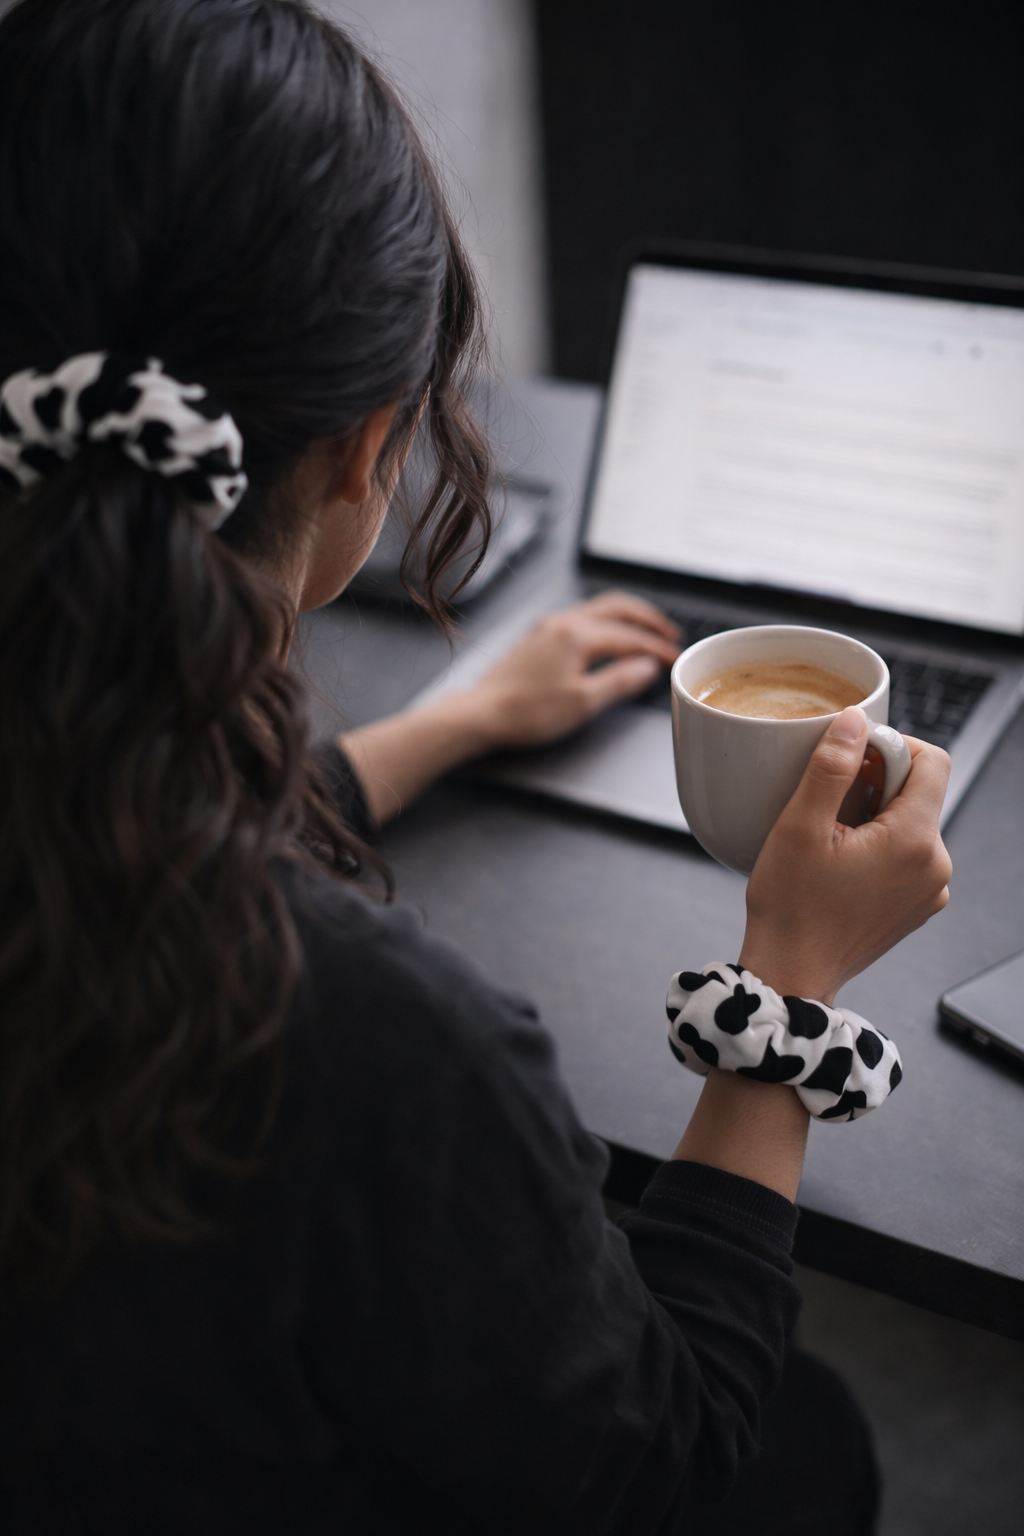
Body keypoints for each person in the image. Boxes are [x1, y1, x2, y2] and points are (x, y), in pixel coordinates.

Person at [0, 2, 952, 1532]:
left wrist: (443, 725)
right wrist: (788, 994)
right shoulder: (377, 1045)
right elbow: (668, 1455)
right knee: (810, 1430)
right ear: (366, 452)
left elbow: (110, 797)